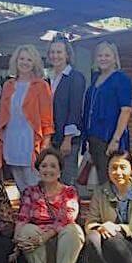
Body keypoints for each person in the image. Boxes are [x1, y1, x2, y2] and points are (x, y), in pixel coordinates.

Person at [14, 147, 85, 263]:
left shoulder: (69, 192)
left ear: (60, 171)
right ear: (38, 170)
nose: (48, 170)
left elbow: (66, 218)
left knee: (73, 230)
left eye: (53, 166)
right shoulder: (30, 192)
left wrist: (44, 237)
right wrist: (17, 240)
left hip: (61, 244)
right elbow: (22, 218)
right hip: (36, 246)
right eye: (44, 166)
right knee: (27, 230)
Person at [0, 44, 54, 192]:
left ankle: (38, 214)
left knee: (35, 186)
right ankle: (25, 213)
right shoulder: (8, 85)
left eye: (29, 59)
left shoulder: (41, 85)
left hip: (31, 143)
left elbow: (47, 119)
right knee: (20, 186)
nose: (25, 62)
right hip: (12, 141)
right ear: (16, 61)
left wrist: (45, 145)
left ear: (34, 63)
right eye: (22, 59)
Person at [82, 41, 132, 184]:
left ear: (114, 58)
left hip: (110, 138)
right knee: (100, 182)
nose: (103, 58)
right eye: (100, 55)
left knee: (112, 180)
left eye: (107, 55)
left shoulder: (121, 79)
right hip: (94, 138)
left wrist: (116, 139)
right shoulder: (95, 78)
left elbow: (126, 110)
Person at [48, 35, 86, 185]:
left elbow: (75, 110)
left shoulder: (75, 77)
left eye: (59, 52)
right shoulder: (48, 78)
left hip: (67, 140)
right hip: (51, 138)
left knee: (67, 183)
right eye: (52, 52)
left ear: (67, 55)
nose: (55, 56)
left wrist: (67, 139)